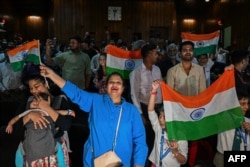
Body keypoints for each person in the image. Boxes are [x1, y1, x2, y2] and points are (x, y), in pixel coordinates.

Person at [40, 65, 148, 167]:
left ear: (123, 88)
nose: (114, 85)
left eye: (118, 82)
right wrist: (52, 75)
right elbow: (76, 93)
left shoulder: (132, 111)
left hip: (123, 162)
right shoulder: (96, 101)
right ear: (106, 86)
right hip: (94, 161)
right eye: (111, 82)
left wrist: (138, 163)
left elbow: (140, 140)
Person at [16, 65, 74, 166]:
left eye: (37, 86)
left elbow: (66, 125)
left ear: (46, 84)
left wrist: (47, 108)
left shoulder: (60, 100)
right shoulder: (28, 101)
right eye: (31, 88)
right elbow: (15, 127)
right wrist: (29, 115)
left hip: (55, 153)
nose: (33, 91)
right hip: (33, 152)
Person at [5, 92, 75, 166]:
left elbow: (59, 112)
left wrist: (68, 112)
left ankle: (62, 164)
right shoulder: (28, 112)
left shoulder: (46, 112)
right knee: (20, 151)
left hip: (47, 137)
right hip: (31, 138)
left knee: (58, 147)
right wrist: (10, 124)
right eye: (34, 100)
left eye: (39, 102)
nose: (35, 102)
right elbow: (16, 118)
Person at [166, 41, 206, 167]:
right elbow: (169, 95)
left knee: (194, 140)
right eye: (185, 49)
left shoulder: (200, 70)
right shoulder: (172, 71)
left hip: (195, 112)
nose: (188, 51)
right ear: (180, 53)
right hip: (178, 112)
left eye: (190, 49)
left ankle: (191, 164)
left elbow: (203, 93)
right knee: (181, 139)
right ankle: (180, 163)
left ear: (193, 53)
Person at [129, 43, 162, 167]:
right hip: (144, 108)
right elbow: (134, 95)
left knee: (158, 136)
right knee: (148, 138)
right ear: (148, 55)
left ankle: (157, 161)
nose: (157, 56)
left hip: (158, 107)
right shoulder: (136, 73)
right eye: (155, 53)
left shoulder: (157, 69)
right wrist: (141, 114)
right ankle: (145, 163)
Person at [148, 80, 188, 167]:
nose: (161, 119)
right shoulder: (158, 128)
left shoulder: (181, 135)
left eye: (165, 117)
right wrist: (153, 92)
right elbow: (150, 110)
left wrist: (175, 151)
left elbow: (183, 161)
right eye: (160, 116)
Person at [213, 92, 250, 167]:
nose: (246, 107)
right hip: (223, 158)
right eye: (243, 104)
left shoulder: (248, 121)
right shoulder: (222, 118)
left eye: (247, 103)